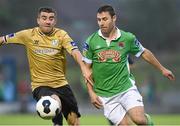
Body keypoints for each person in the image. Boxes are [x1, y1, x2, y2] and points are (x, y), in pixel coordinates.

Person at [82, 5, 175, 126]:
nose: (101, 23)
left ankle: (149, 122)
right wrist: (91, 93)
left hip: (126, 89)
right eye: (99, 20)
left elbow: (144, 53)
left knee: (139, 120)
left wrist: (162, 69)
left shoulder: (127, 38)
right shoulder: (90, 41)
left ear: (114, 18)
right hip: (105, 95)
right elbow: (86, 69)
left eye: (105, 19)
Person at [0, 7, 91, 126]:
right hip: (40, 85)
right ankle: (57, 122)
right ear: (38, 20)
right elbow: (2, 40)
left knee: (74, 122)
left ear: (55, 21)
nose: (48, 21)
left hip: (62, 84)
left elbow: (75, 51)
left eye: (51, 18)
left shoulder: (61, 35)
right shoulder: (28, 35)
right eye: (44, 18)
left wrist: (83, 67)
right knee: (54, 100)